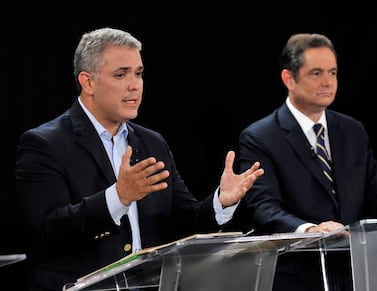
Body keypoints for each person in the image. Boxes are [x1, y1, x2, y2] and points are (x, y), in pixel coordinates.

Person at [15, 27, 264, 291]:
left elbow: (183, 222)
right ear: (88, 82)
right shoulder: (44, 143)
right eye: (121, 74)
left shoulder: (152, 143)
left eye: (139, 73)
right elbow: (48, 232)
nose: (134, 84)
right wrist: (118, 198)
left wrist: (220, 202)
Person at [238, 33, 377, 291]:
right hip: (298, 276)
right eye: (316, 73)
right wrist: (309, 230)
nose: (327, 82)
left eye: (332, 73)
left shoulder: (352, 131)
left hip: (356, 273)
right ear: (289, 79)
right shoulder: (260, 137)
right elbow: (263, 207)